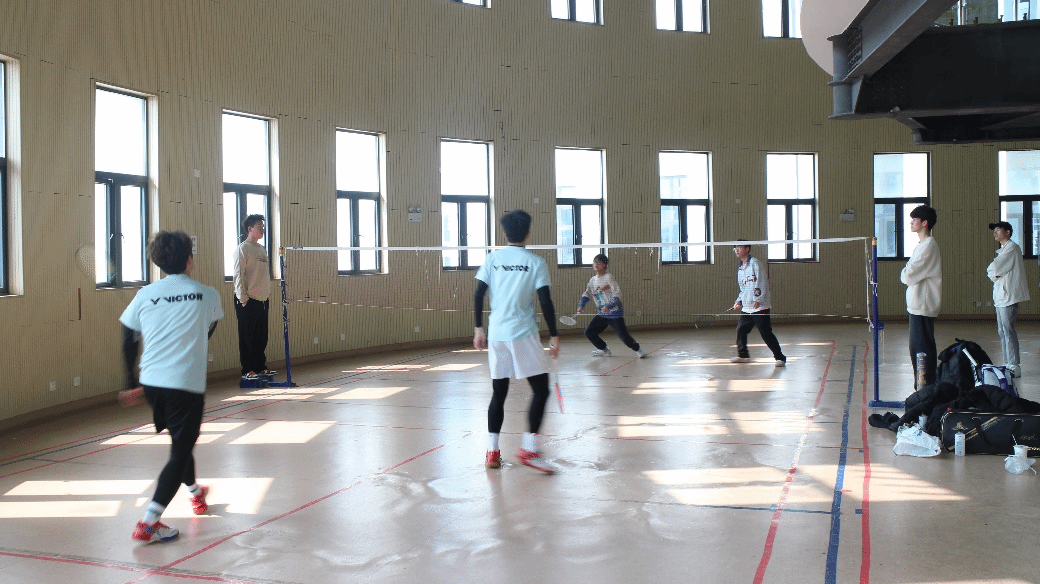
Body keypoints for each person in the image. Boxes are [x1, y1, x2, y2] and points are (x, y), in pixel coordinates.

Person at [120, 231, 223, 543]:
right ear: (190, 260)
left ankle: (195, 492)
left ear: (158, 262)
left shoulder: (145, 294)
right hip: (184, 386)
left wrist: (130, 382)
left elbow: (128, 335)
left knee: (181, 441)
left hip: (152, 383)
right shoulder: (207, 294)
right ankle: (149, 522)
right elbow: (211, 325)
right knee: (180, 450)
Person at [474, 210, 560, 474]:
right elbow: (545, 301)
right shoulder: (536, 262)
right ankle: (529, 449)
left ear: (504, 233)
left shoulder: (493, 259)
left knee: (498, 393)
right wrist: (554, 335)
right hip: (523, 334)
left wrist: (478, 329)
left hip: (497, 334)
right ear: (528, 234)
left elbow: (478, 294)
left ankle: (492, 451)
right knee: (541, 391)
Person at [900, 205, 941, 388]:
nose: (911, 223)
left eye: (914, 220)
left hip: (923, 306)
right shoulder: (922, 245)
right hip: (917, 305)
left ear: (924, 223)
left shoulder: (928, 246)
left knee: (921, 349)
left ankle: (926, 387)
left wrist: (905, 272)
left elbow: (908, 275)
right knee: (918, 347)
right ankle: (924, 387)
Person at [576, 253, 648, 358]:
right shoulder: (593, 280)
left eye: (599, 263)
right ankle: (604, 349)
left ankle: (638, 349)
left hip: (614, 313)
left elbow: (617, 294)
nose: (596, 265)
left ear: (604, 265)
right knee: (589, 332)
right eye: (595, 262)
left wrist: (608, 306)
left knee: (624, 337)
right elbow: (587, 294)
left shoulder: (608, 277)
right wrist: (581, 305)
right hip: (602, 314)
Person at [731, 240, 786, 367]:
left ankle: (780, 357)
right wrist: (739, 301)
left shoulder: (755, 264)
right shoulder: (740, 268)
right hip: (747, 307)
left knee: (766, 333)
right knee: (741, 330)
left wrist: (758, 298)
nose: (736, 250)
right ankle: (743, 356)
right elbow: (743, 288)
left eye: (739, 247)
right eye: (735, 248)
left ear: (747, 249)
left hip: (760, 306)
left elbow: (761, 282)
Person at [233, 214, 274, 380]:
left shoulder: (262, 249)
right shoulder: (242, 249)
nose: (262, 229)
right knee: (247, 337)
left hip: (263, 299)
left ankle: (260, 366)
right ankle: (247, 370)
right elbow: (238, 276)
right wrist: (243, 299)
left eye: (263, 226)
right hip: (247, 300)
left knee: (261, 336)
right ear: (250, 229)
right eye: (259, 226)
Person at [986, 220, 1029, 378]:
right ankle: (1007, 362)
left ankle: (1014, 364)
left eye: (998, 229)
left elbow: (995, 268)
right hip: (1001, 296)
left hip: (1008, 296)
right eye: (994, 230)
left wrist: (994, 274)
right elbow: (993, 271)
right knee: (1002, 330)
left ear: (1008, 232)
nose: (995, 232)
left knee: (1008, 330)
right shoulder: (1004, 250)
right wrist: (994, 274)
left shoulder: (1012, 248)